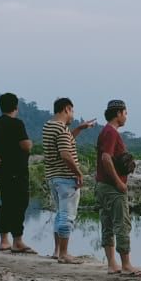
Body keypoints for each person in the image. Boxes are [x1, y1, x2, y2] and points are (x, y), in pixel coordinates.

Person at [41, 98, 96, 263]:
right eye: (72, 111)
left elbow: (65, 141)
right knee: (67, 216)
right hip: (66, 178)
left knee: (59, 214)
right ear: (66, 109)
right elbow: (65, 154)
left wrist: (79, 128)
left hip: (53, 177)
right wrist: (78, 172)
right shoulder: (62, 129)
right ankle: (64, 254)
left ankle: (57, 251)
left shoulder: (49, 126)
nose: (73, 115)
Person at [0, 92, 36, 253]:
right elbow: (26, 146)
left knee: (6, 202)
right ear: (16, 106)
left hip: (1, 170)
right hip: (16, 169)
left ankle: (3, 241)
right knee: (20, 202)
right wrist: (30, 143)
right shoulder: (16, 124)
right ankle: (18, 240)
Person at [96, 99, 141, 274]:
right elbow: (106, 158)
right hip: (112, 188)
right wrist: (118, 182)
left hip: (102, 186)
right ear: (119, 113)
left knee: (107, 224)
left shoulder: (105, 131)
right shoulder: (111, 133)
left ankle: (112, 265)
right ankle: (126, 265)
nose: (126, 116)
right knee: (121, 224)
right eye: (125, 113)